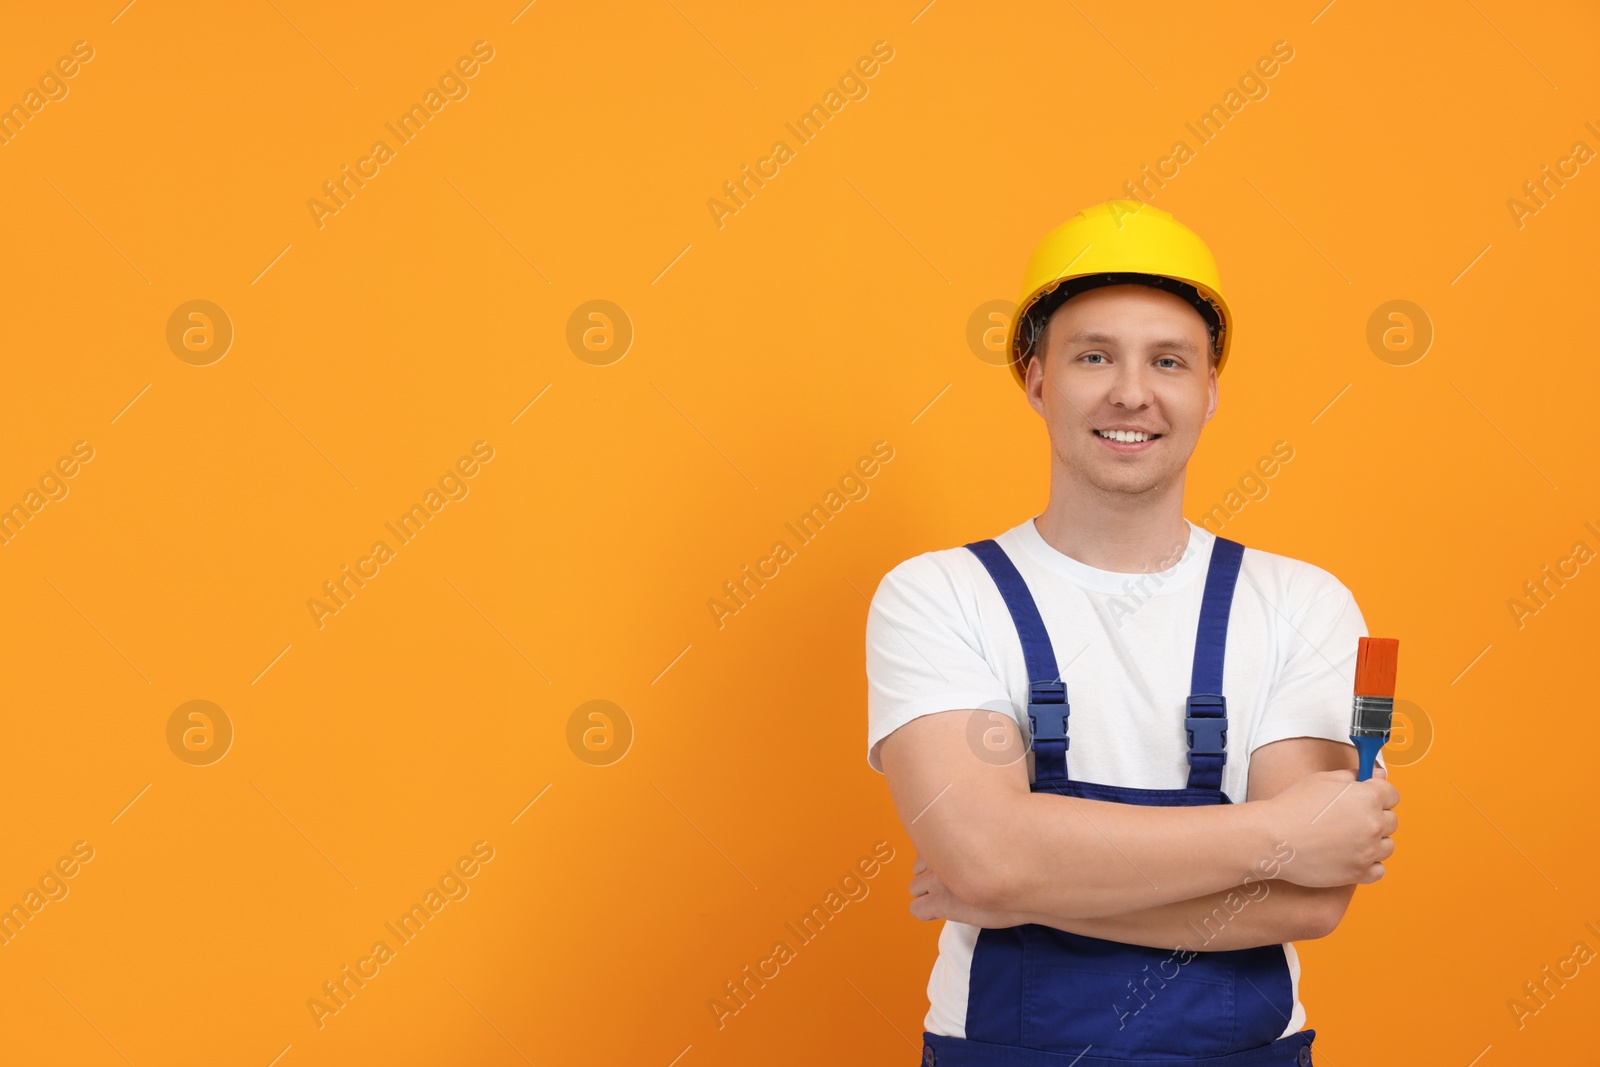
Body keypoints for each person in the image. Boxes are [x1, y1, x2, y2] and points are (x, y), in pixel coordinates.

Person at [865, 200, 1401, 1067]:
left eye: (1168, 360)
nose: (1131, 392)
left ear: (1210, 389)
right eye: (1092, 356)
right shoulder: (940, 594)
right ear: (1036, 380)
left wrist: (1020, 884)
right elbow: (987, 858)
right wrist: (1284, 832)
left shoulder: (1303, 602)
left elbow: (1309, 902)